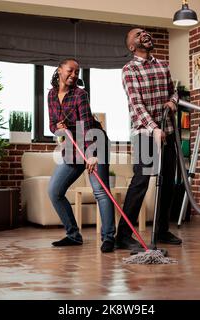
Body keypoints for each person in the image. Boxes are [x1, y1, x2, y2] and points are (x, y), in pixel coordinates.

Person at [115, 28, 182, 250]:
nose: (144, 34)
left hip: (168, 132)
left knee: (168, 184)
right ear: (132, 47)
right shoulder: (129, 70)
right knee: (141, 182)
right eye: (137, 34)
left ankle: (162, 230)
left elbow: (174, 92)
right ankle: (123, 235)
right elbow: (136, 106)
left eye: (145, 32)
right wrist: (153, 128)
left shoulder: (163, 65)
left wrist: (173, 101)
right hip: (145, 135)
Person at [47, 58, 116, 253]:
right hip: (73, 145)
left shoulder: (80, 94)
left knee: (100, 192)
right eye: (70, 71)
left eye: (77, 72)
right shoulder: (52, 95)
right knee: (54, 191)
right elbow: (52, 125)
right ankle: (73, 235)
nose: (74, 75)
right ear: (59, 70)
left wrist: (93, 154)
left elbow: (87, 125)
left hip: (94, 142)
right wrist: (58, 128)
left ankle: (109, 237)